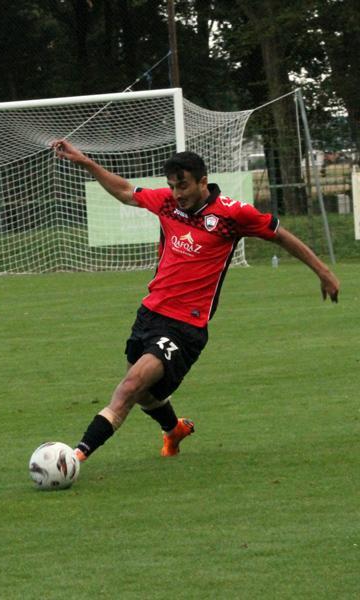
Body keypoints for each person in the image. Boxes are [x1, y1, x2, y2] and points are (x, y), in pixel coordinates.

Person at [51, 140, 340, 464]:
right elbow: (125, 191)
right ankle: (174, 429)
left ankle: (74, 457)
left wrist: (323, 272)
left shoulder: (232, 214)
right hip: (149, 314)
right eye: (172, 186)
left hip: (185, 327)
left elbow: (280, 235)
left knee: (128, 388)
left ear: (203, 182)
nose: (177, 193)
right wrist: (86, 162)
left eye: (183, 185)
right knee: (144, 394)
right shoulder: (167, 203)